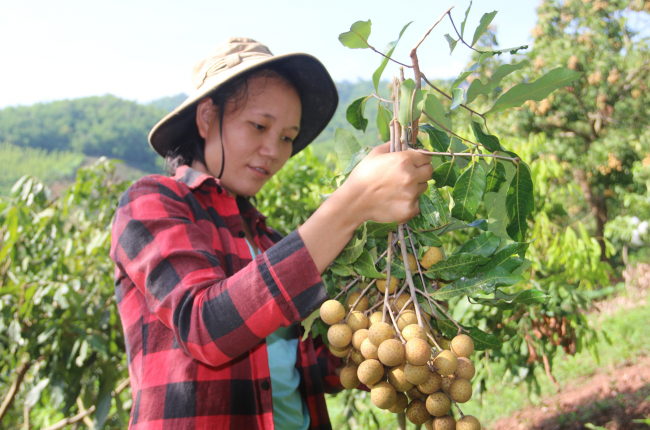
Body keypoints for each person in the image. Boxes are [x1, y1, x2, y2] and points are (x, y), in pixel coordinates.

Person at [110, 37, 432, 429]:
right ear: (207, 117)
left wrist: (390, 328)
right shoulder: (152, 202)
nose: (273, 150)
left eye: (286, 137)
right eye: (259, 126)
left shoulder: (270, 243)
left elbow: (314, 363)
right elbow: (205, 326)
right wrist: (349, 205)